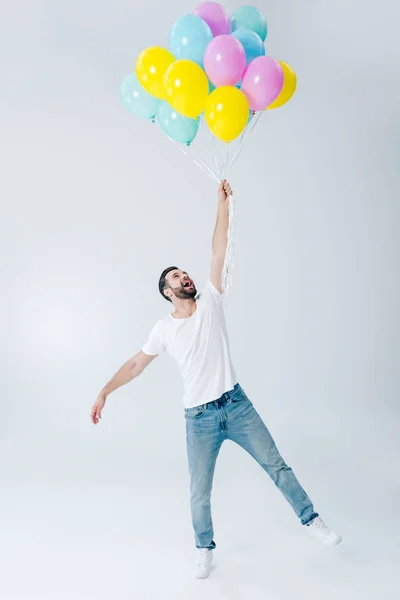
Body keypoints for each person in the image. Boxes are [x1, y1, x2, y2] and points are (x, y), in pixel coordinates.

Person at [91, 180, 342, 579]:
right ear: (167, 291)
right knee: (199, 492)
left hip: (237, 405)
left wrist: (222, 205)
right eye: (177, 277)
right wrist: (105, 390)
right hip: (199, 419)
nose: (185, 277)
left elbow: (218, 249)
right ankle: (204, 547)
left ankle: (312, 521)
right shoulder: (163, 329)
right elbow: (136, 365)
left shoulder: (211, 301)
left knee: (276, 465)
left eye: (185, 273)